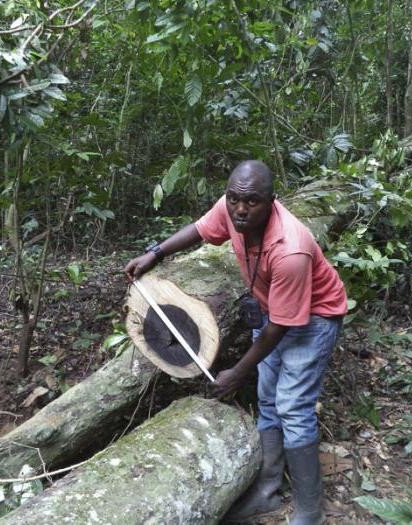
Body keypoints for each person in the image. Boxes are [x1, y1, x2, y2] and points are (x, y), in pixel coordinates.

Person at [124, 160, 347, 525]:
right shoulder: (233, 206)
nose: (240, 209)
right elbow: (199, 229)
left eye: (252, 202)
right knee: (269, 400)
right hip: (272, 310)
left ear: (271, 201)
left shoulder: (291, 249)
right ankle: (267, 492)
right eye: (234, 199)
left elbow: (281, 326)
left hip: (314, 318)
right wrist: (155, 253)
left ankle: (310, 511)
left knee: (293, 406)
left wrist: (239, 372)